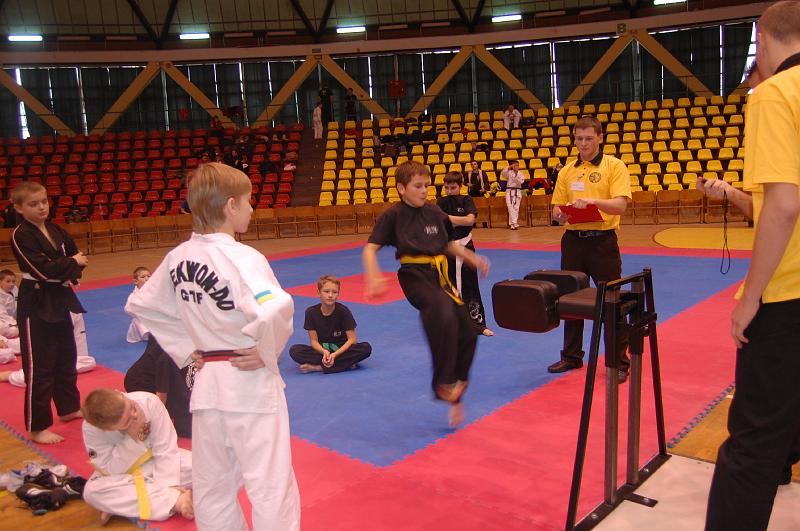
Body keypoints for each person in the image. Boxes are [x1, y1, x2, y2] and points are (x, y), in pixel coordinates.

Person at [125, 162, 300, 531]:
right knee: (270, 485)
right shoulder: (241, 257)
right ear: (230, 205)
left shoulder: (177, 257)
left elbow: (144, 305)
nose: (252, 208)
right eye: (249, 201)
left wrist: (189, 347)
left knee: (213, 486)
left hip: (207, 384)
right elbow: (276, 307)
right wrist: (266, 351)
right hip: (249, 382)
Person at [705, 3, 800, 529]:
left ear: (761, 39)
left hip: (788, 294)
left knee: (753, 440)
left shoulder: (775, 93)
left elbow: (784, 205)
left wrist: (753, 295)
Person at [363, 160, 489, 428]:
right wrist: (373, 276)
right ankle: (443, 382)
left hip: (440, 276)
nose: (424, 191)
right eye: (418, 186)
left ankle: (456, 389)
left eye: (426, 186)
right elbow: (370, 248)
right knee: (442, 313)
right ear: (401, 188)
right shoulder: (393, 215)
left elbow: (448, 245)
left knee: (468, 330)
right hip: (414, 275)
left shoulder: (434, 212)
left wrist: (472, 258)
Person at [547, 115, 632, 382]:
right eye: (579, 139)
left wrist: (594, 202)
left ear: (600, 138)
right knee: (569, 299)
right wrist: (559, 215)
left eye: (589, 138)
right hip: (573, 241)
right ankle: (571, 356)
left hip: (602, 242)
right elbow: (556, 208)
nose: (583, 144)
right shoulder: (566, 171)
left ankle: (619, 362)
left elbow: (620, 205)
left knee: (611, 301)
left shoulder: (614, 166)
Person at [10, 181, 89, 444]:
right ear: (19, 208)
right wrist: (70, 263)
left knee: (66, 357)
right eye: (33, 204)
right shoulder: (21, 235)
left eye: (44, 201)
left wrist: (68, 264)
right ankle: (37, 427)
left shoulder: (56, 230)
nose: (41, 207)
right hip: (36, 301)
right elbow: (43, 270)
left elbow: (80, 260)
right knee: (40, 367)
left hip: (60, 298)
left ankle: (68, 408)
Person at [81, 388, 193, 524]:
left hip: (156, 460)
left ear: (119, 394)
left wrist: (169, 486)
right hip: (125, 476)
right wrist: (133, 439)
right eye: (127, 420)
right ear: (108, 429)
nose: (135, 415)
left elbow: (166, 449)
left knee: (207, 467)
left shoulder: (149, 402)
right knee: (92, 492)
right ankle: (176, 501)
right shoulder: (91, 429)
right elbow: (110, 470)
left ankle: (126, 504)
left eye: (132, 407)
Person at [437, 172, 494, 337]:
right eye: (446, 188)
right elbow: (439, 222)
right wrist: (457, 220)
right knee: (448, 286)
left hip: (465, 245)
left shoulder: (466, 200)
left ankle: (478, 325)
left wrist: (448, 218)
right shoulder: (441, 201)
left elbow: (470, 220)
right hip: (447, 248)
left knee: (470, 285)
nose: (449, 191)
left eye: (453, 187)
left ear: (460, 186)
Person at [289, 275, 372, 374]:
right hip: (323, 352)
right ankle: (345, 364)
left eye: (334, 292)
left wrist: (335, 354)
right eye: (326, 291)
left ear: (338, 294)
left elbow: (352, 340)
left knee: (365, 348)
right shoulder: (311, 312)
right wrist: (324, 352)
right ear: (319, 293)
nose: (330, 295)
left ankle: (319, 367)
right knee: (295, 350)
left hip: (341, 350)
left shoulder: (343, 311)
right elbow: (314, 341)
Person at [124, 335, 193, 438]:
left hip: (161, 377)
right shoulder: (167, 358)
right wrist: (160, 421)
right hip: (144, 383)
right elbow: (161, 397)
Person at [0, 312, 96, 385]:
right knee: (9, 354)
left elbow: (81, 356)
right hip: (43, 364)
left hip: (58, 364)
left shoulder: (73, 311)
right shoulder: (38, 310)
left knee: (89, 361)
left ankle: (53, 370)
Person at [127, 266, 151, 343]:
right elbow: (128, 309)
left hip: (153, 318)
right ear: (135, 281)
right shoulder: (133, 296)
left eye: (149, 276)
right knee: (138, 321)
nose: (147, 279)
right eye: (143, 277)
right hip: (141, 320)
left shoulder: (154, 292)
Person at [501, 160, 526, 230]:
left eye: (517, 165)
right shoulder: (509, 173)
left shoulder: (521, 174)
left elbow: (521, 182)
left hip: (517, 191)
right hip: (509, 191)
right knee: (510, 207)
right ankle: (515, 223)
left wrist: (515, 177)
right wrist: (509, 167)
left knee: (516, 208)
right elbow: (503, 174)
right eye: (515, 165)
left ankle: (512, 224)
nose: (516, 167)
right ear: (512, 166)